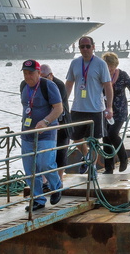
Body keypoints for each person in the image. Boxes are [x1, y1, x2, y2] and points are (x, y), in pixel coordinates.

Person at [19, 60, 63, 212]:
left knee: (46, 163)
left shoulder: (48, 86)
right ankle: (38, 199)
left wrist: (45, 122)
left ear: (38, 73)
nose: (27, 76)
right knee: (30, 170)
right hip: (27, 134)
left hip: (46, 133)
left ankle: (56, 185)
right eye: (25, 73)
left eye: (31, 73)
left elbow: (58, 108)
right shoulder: (23, 86)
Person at [65, 36, 114, 164]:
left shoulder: (100, 64)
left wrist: (109, 107)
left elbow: (108, 86)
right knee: (76, 138)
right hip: (77, 108)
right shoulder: (75, 63)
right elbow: (69, 84)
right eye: (82, 46)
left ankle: (92, 169)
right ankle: (87, 157)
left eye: (88, 46)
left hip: (95, 109)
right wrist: (63, 104)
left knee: (94, 141)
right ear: (79, 48)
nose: (85, 49)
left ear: (93, 47)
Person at [102, 52, 130, 173]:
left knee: (112, 133)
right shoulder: (102, 76)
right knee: (105, 138)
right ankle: (109, 168)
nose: (109, 68)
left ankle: (123, 158)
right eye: (106, 66)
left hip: (120, 110)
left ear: (115, 64)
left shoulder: (122, 75)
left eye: (111, 66)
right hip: (105, 111)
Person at [39, 64, 71, 181]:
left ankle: (60, 178)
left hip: (62, 121)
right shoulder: (39, 85)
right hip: (46, 122)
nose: (41, 80)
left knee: (61, 150)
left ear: (51, 76)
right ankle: (44, 180)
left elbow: (58, 106)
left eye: (44, 77)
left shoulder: (59, 85)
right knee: (45, 151)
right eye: (39, 77)